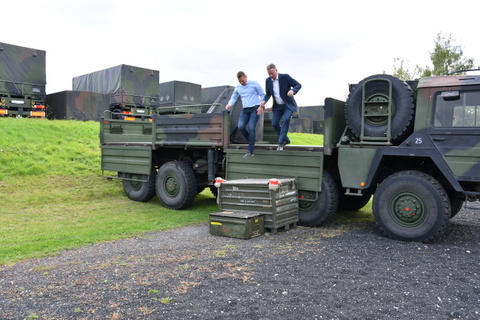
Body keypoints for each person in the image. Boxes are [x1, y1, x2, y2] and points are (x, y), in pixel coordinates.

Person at [260, 63, 301, 151]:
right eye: (269, 74)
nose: (271, 76)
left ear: (276, 70)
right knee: (274, 124)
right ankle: (286, 139)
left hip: (287, 105)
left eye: (272, 73)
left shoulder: (285, 77)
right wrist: (264, 100)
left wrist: (292, 91)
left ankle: (281, 143)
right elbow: (268, 94)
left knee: (286, 120)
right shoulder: (267, 81)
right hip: (277, 106)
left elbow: (298, 85)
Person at [226, 71, 265, 158]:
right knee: (241, 126)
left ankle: (250, 151)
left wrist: (261, 106)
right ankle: (251, 140)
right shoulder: (238, 87)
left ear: (246, 77)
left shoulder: (254, 84)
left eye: (243, 80)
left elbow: (262, 95)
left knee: (251, 128)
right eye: (240, 81)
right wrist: (229, 104)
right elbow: (234, 96)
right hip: (245, 110)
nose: (242, 83)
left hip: (255, 108)